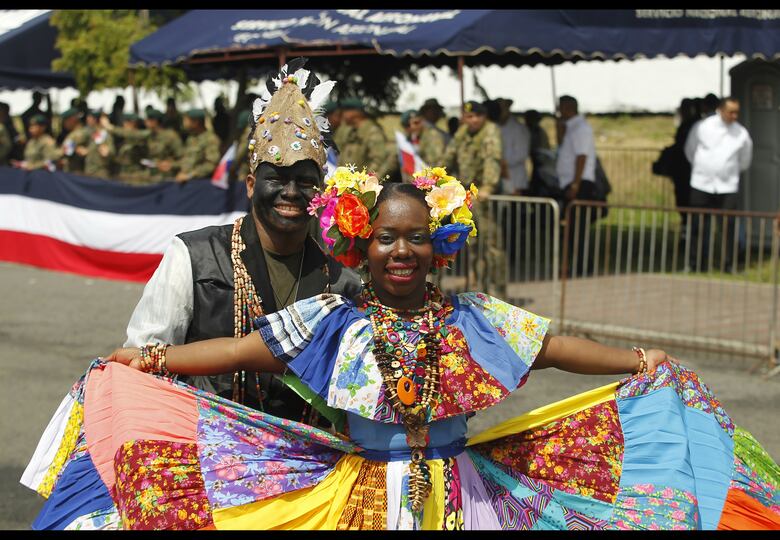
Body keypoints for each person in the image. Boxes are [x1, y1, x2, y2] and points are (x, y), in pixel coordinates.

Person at [25, 166, 779, 530]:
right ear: (362, 244)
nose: (401, 251)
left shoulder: (472, 318)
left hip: (470, 494)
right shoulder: (333, 319)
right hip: (357, 497)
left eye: (417, 237)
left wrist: (639, 361)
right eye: (387, 237)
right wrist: (150, 361)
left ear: (439, 244)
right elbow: (241, 351)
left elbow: (552, 347)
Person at [122, 60, 360, 424]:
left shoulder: (342, 281)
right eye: (276, 178)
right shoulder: (194, 256)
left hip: (309, 453)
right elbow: (143, 360)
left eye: (304, 181)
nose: (290, 192)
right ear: (251, 185)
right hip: (206, 443)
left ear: (321, 192)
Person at [442, 100, 506, 297]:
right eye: (469, 116)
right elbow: (448, 156)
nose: (474, 120)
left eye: (478, 116)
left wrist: (488, 186)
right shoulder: (462, 133)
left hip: (485, 196)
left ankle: (498, 292)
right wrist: (435, 176)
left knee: (492, 246)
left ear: (484, 117)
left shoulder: (490, 131)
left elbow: (492, 160)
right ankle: (478, 289)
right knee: (473, 245)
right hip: (467, 195)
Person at [684, 97, 753, 272]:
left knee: (729, 227)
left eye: (737, 112)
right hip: (702, 183)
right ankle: (695, 263)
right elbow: (690, 150)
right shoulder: (702, 127)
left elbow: (745, 160)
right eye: (731, 112)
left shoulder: (741, 133)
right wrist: (703, 168)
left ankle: (729, 264)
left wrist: (728, 171)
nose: (734, 116)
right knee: (698, 225)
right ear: (721, 110)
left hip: (727, 185)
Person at [555, 95, 598, 277]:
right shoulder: (570, 127)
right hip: (571, 182)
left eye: (560, 107)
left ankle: (582, 267)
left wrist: (575, 184)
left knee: (578, 229)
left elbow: (582, 156)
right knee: (572, 229)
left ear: (568, 107)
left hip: (579, 184)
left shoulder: (581, 128)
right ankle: (577, 265)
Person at [157, 109, 221, 183]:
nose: (184, 123)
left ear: (196, 122)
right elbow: (187, 161)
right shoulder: (191, 138)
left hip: (201, 183)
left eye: (186, 120)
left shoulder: (211, 139)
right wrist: (171, 165)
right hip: (187, 181)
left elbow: (211, 164)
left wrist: (190, 175)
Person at [338, 98, 393, 181]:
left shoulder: (372, 132)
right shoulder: (351, 132)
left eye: (346, 110)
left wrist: (365, 181)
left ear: (356, 112)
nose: (343, 114)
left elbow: (378, 160)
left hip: (363, 185)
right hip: (348, 183)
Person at [669, 98, 699, 225]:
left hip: (687, 170)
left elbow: (687, 149)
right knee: (682, 199)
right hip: (681, 170)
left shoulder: (693, 125)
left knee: (687, 199)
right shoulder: (686, 125)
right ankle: (687, 224)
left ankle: (690, 226)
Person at [495, 98, 530, 196]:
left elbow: (522, 154)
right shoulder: (494, 127)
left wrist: (502, 162)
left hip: (515, 180)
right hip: (498, 179)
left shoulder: (519, 128)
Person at [111, 113, 151, 184]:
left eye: (126, 123)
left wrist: (110, 128)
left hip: (137, 175)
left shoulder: (141, 136)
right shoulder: (125, 140)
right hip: (125, 174)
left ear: (133, 123)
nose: (124, 125)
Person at [81, 110, 116, 179]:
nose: (87, 119)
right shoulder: (90, 133)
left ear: (96, 120)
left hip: (99, 173)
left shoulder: (105, 134)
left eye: (90, 118)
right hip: (89, 171)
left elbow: (112, 151)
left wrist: (108, 152)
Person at [58, 108, 91, 174]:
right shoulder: (84, 131)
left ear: (72, 120)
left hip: (75, 172)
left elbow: (65, 151)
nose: (64, 124)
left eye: (65, 121)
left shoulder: (76, 135)